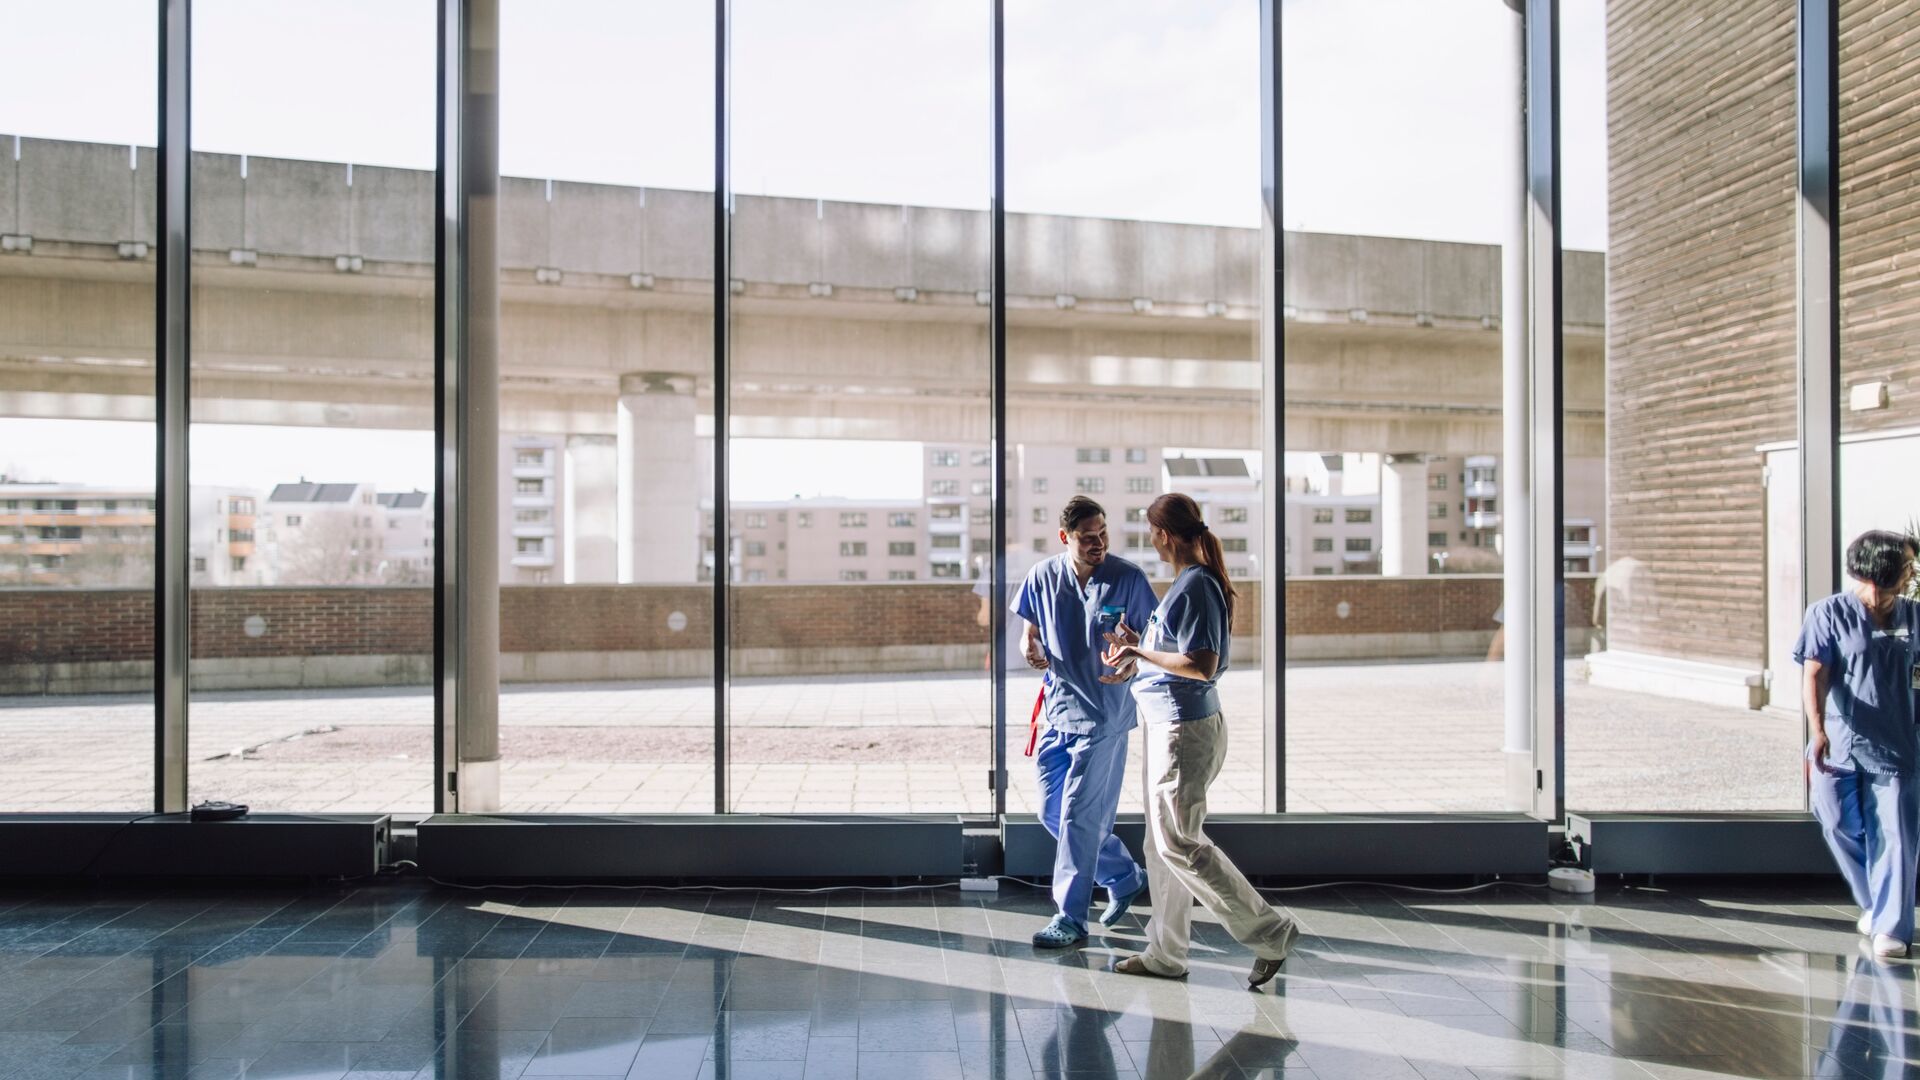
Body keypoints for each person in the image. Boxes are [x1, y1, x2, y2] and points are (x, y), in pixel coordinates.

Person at [1103, 492, 1298, 987]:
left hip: (1182, 733)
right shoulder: (1188, 584)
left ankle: (1270, 933)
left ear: (1165, 534)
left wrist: (1140, 654)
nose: (1150, 540)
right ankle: (1166, 954)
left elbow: (1201, 665)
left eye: (1152, 531)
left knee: (1180, 844)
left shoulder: (1197, 585)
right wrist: (1137, 652)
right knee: (1161, 844)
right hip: (1168, 726)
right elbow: (1174, 654)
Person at [1013, 496, 1161, 948]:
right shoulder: (1042, 576)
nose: (1098, 543)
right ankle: (1123, 874)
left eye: (1103, 534)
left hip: (1104, 715)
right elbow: (1029, 629)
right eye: (1087, 537)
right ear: (1065, 538)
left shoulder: (1128, 579)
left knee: (1080, 817)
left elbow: (1151, 643)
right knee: (1051, 811)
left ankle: (1071, 917)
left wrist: (1133, 659)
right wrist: (1028, 646)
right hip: (1058, 710)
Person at [1796, 530, 1920, 960]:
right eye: (1906, 566)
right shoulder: (1828, 613)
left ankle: (1892, 926)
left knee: (1898, 837)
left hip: (1899, 741)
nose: (1910, 573)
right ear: (1879, 570)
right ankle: (1874, 903)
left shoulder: (1914, 616)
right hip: (1839, 738)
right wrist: (1817, 730)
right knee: (1836, 821)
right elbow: (1814, 674)